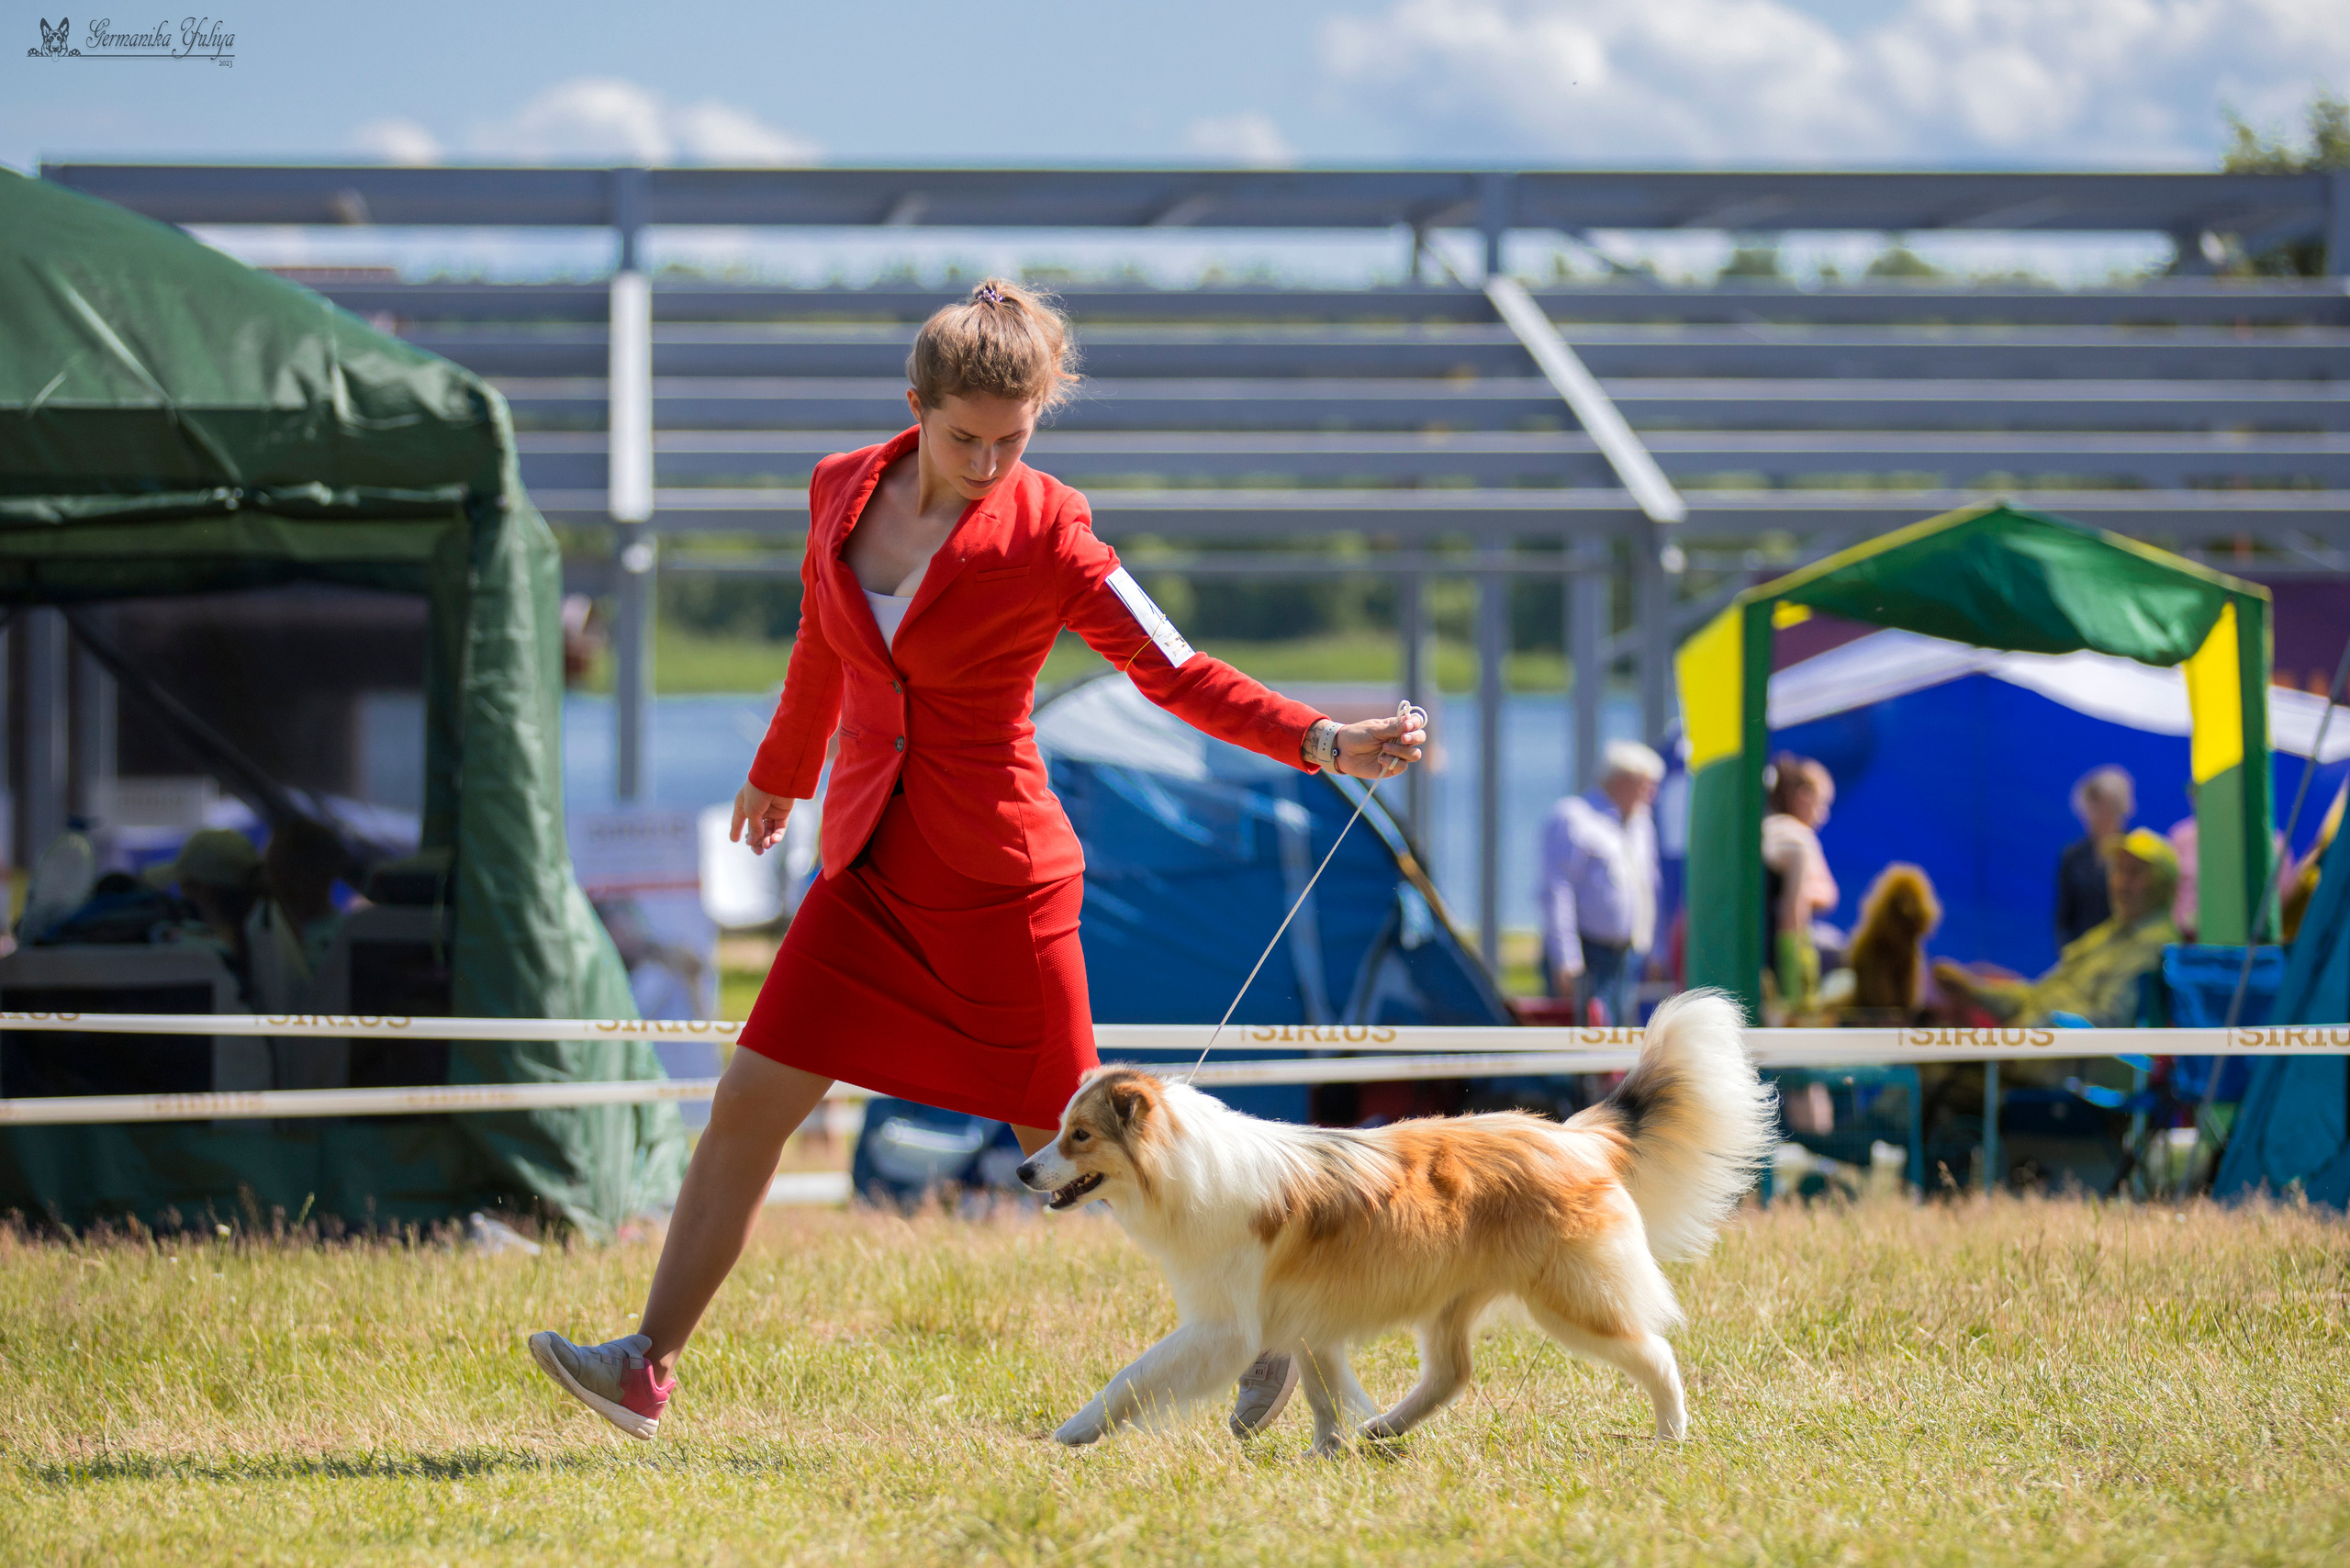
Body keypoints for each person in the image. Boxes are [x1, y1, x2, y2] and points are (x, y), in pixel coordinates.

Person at [528, 279, 1427, 1444]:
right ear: (915, 407)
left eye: (1014, 439)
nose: (991, 462)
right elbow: (822, 638)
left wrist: (1320, 739)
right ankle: (645, 1364)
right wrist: (781, 766)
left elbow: (1174, 669)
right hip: (864, 869)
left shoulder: (1055, 529)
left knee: (1101, 1147)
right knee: (748, 1103)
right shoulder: (838, 486)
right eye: (965, 438)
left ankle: (1274, 1319)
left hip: (1004, 883)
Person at [1934, 828, 2179, 1028]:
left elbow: (2107, 1023)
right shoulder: (2105, 935)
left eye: (2134, 873)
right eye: (2117, 871)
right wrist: (1974, 990)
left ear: (2162, 886)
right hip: (2035, 1054)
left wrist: (2028, 1032)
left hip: (2064, 1072)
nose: (2121, 884)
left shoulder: (2154, 944)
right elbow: (2038, 994)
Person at [1539, 739, 1663, 1027]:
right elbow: (1557, 892)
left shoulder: (1640, 823)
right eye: (1645, 785)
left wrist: (1655, 949)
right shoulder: (1574, 818)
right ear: (1620, 781)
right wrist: (1567, 960)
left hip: (1626, 955)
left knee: (1617, 1040)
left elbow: (1649, 886)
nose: (1652, 795)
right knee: (1583, 1043)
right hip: (1588, 954)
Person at [246, 816, 349, 1014]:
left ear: (304, 876)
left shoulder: (343, 941)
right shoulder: (263, 932)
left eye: (274, 870)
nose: (266, 881)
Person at [1762, 754, 1839, 1013]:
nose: (1824, 816)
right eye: (1822, 804)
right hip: (1774, 956)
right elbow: (1792, 914)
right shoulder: (1799, 841)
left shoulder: (1766, 828)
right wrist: (1793, 976)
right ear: (1803, 796)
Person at [2055, 766, 2132, 948]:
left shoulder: (2135, 853)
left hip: (2127, 952)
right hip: (2083, 954)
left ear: (2120, 807)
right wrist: (2071, 956)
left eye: (2106, 806)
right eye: (2093, 806)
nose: (2099, 814)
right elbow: (2064, 917)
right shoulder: (2072, 856)